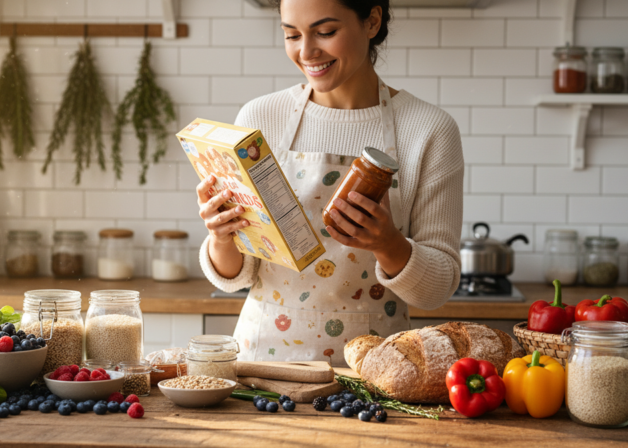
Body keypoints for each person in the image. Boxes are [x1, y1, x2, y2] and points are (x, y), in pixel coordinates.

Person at [193, 0, 463, 366]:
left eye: (325, 32)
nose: (306, 52)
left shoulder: (428, 129)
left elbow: (437, 288)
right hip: (263, 367)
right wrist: (222, 236)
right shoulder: (260, 118)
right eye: (291, 34)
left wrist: (388, 244)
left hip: (373, 373)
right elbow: (236, 276)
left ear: (371, 21)